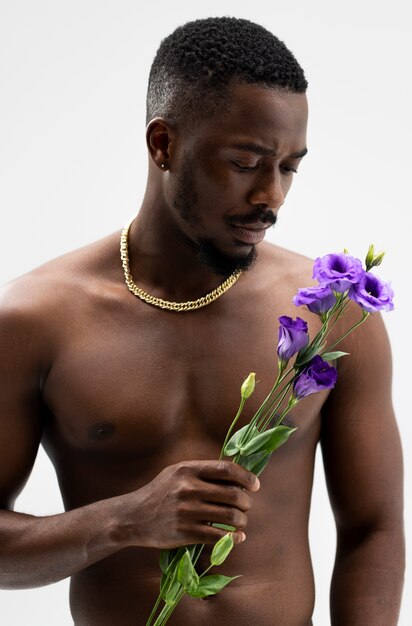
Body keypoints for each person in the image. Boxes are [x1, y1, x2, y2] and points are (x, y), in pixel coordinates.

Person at [0, 16, 404, 626]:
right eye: (245, 162)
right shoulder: (35, 320)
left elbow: (374, 528)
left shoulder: (332, 317)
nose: (272, 197)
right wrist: (124, 520)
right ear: (163, 144)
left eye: (289, 167)